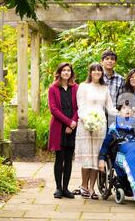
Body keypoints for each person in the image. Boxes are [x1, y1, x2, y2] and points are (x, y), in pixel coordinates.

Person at [74, 63, 118, 200]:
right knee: (87, 155)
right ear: (90, 72)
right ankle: (83, 186)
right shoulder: (83, 86)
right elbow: (80, 106)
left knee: (96, 157)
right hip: (85, 124)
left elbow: (110, 108)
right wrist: (86, 119)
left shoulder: (105, 88)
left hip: (100, 124)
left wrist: (124, 114)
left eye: (99, 70)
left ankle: (92, 188)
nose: (97, 72)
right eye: (94, 70)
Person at [48, 62, 78, 199]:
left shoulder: (75, 88)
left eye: (68, 70)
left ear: (71, 73)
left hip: (72, 127)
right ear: (59, 73)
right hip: (58, 127)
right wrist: (68, 122)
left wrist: (73, 123)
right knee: (59, 158)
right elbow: (53, 109)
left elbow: (79, 107)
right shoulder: (53, 88)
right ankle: (58, 188)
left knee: (69, 158)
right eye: (63, 70)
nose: (66, 72)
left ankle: (66, 188)